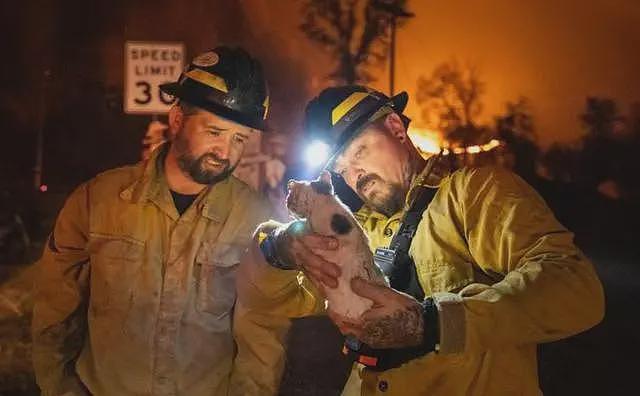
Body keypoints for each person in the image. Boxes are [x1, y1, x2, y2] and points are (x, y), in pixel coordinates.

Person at [235, 85, 605, 395]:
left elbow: (574, 287)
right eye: (341, 169)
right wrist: (279, 248)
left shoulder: (472, 195)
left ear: (396, 127)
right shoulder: (355, 232)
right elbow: (274, 300)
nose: (355, 174)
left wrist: (433, 324)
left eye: (359, 152)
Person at [32, 46, 272, 396]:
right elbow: (55, 308)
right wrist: (60, 387)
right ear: (177, 119)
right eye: (215, 132)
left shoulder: (254, 219)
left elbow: (263, 332)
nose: (226, 153)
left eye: (239, 139)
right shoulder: (97, 201)